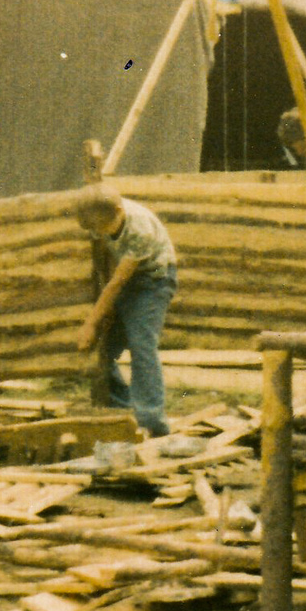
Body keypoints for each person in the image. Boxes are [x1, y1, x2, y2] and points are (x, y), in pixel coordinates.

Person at [73, 184, 177, 437]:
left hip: (153, 281)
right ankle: (122, 409)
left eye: (103, 228)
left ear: (119, 212)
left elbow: (119, 281)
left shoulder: (139, 228)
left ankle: (152, 422)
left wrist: (91, 322)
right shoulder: (101, 216)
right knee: (105, 347)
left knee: (142, 345)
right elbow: (111, 263)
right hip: (124, 278)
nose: (100, 232)